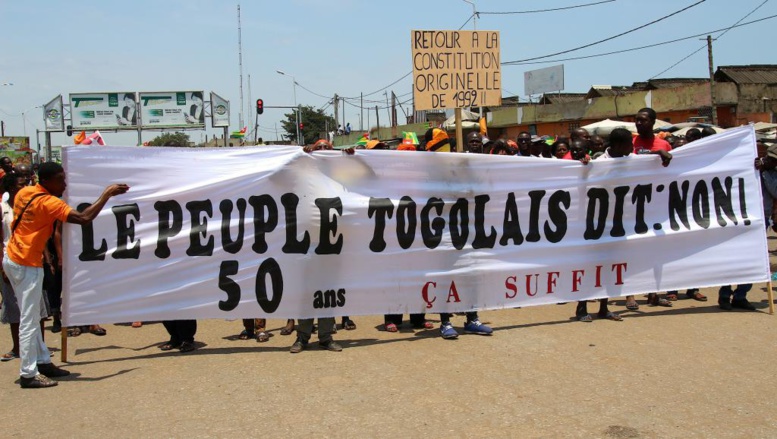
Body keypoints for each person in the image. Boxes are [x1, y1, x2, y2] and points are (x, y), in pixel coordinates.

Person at [3, 162, 129, 388]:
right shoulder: (48, 202)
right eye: (61, 179)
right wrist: (106, 194)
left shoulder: (25, 193)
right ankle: (28, 373)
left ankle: (42, 362)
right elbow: (83, 218)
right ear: (48, 181)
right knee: (30, 320)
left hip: (15, 257)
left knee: (35, 314)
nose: (65, 183)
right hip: (26, 262)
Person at [422, 128, 492, 339]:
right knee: (446, 277)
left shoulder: (468, 168)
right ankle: (445, 322)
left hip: (468, 229)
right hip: (443, 231)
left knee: (471, 275)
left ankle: (472, 318)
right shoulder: (429, 171)